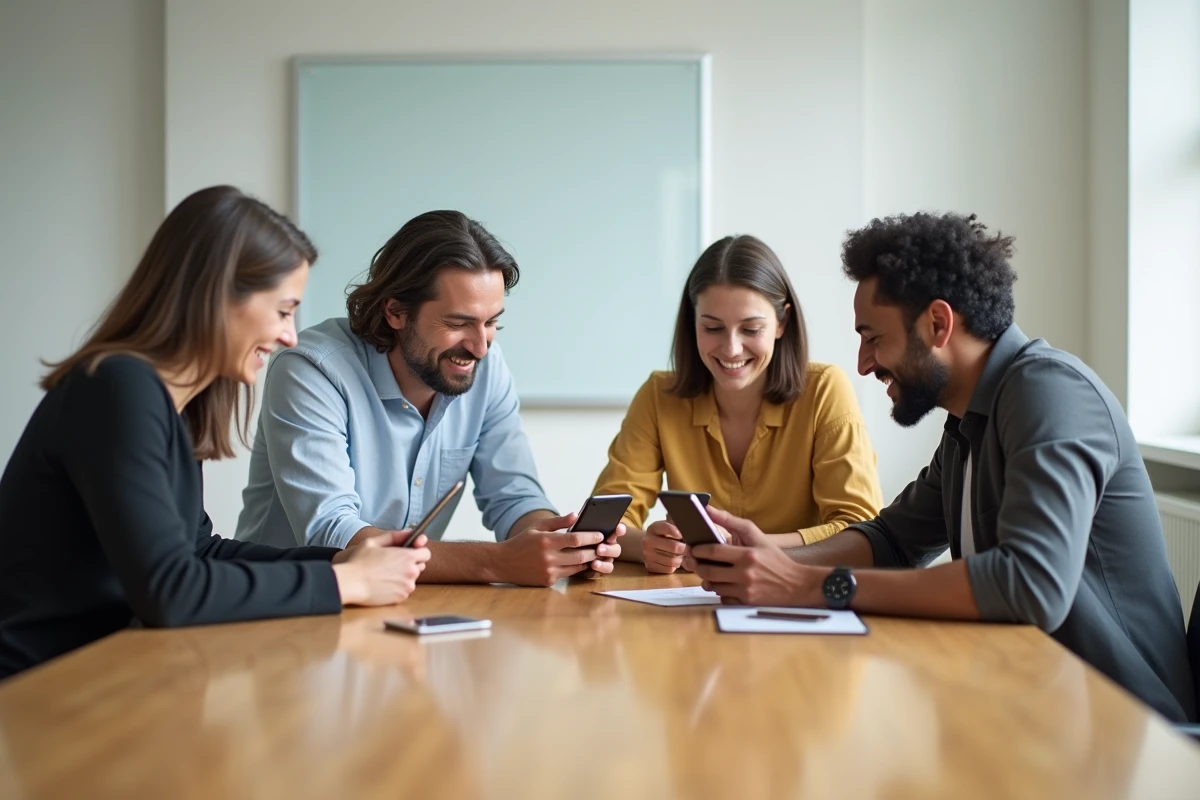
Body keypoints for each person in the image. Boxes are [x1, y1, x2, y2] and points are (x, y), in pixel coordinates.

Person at [689, 212, 1196, 723]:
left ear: (938, 324)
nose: (863, 364)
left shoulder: (1049, 392)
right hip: (1033, 708)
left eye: (873, 338)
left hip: (1128, 727)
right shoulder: (968, 421)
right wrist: (770, 555)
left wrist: (810, 586)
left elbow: (1031, 584)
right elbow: (893, 541)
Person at [0, 186, 431, 678]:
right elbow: (171, 590)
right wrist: (346, 584)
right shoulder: (116, 388)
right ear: (219, 296)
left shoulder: (171, 404)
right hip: (35, 687)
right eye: (283, 310)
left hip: (102, 673)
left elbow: (199, 550)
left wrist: (343, 559)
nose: (290, 335)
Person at [235, 210, 619, 585]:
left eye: (491, 322)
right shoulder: (311, 370)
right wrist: (499, 562)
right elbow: (334, 533)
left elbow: (514, 497)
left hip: (406, 601)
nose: (480, 347)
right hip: (287, 603)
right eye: (458, 323)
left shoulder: (486, 367)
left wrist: (558, 543)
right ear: (396, 312)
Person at [591, 235, 882, 572]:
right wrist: (647, 545)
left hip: (799, 590)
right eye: (712, 327)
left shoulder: (825, 390)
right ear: (692, 323)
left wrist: (751, 548)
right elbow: (603, 523)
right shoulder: (659, 396)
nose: (731, 349)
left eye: (751, 329)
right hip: (691, 596)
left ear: (782, 323)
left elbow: (860, 529)